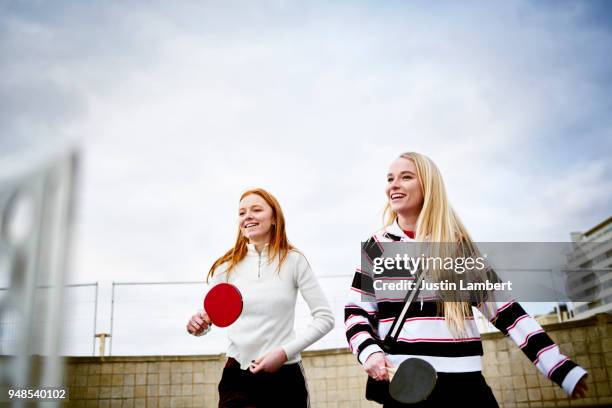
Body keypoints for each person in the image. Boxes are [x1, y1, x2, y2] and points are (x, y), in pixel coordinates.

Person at [345, 152, 588, 407]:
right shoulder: (376, 248)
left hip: (465, 387)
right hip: (404, 387)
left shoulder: (458, 249)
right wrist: (369, 353)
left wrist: (559, 367)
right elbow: (355, 314)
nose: (393, 185)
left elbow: (507, 311)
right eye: (390, 178)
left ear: (428, 185)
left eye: (406, 177)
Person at [187, 188, 334, 408]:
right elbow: (209, 315)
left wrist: (283, 354)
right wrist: (199, 324)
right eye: (242, 212)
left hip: (285, 380)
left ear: (274, 218)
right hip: (237, 379)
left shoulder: (294, 261)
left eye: (256, 210)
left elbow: (325, 318)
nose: (247, 216)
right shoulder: (226, 266)